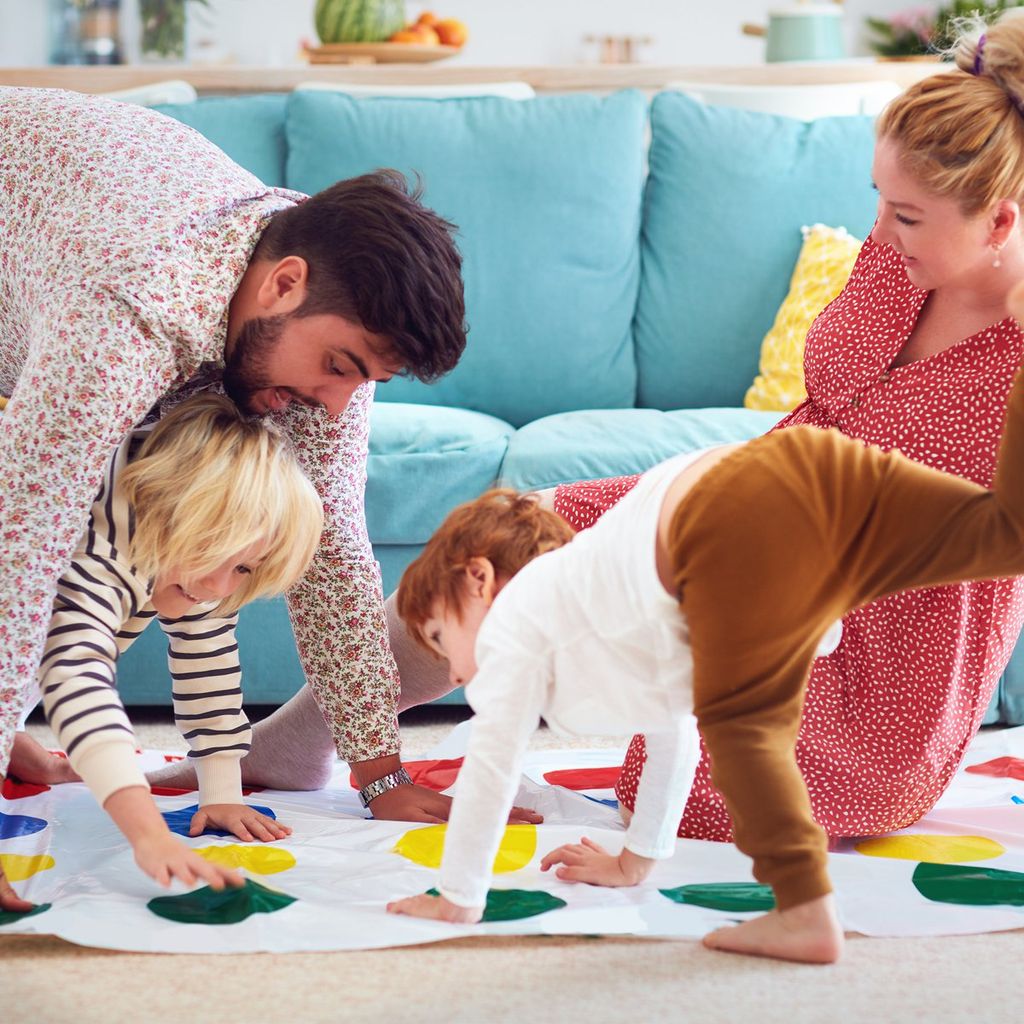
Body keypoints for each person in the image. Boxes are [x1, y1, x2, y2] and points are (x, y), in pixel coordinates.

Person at [370, 11, 1024, 840]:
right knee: (511, 530)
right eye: (881, 205)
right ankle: (321, 742)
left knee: (679, 795)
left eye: (906, 216)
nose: (885, 232)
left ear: (998, 222)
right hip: (757, 504)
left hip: (884, 648)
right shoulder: (908, 244)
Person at [385, 312, 1024, 962]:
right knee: (1004, 535)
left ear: (478, 580)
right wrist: (637, 861)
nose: (455, 671)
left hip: (742, 508)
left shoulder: (521, 616)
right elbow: (672, 732)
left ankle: (803, 911)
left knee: (744, 727)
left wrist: (458, 899)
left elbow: (492, 766)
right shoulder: (616, 619)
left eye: (440, 636)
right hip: (808, 467)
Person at [0, 87, 466, 910]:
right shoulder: (124, 316)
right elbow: (21, 545)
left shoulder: (316, 320)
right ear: (283, 285)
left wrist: (379, 768)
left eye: (364, 382)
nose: (335, 405)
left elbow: (334, 550)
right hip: (51, 234)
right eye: (342, 367)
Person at [4, 394, 323, 910]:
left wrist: (220, 791)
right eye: (214, 555)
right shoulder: (101, 543)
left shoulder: (183, 550)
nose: (219, 584)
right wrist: (148, 832)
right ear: (171, 509)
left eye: (243, 568)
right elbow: (74, 672)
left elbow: (209, 658)